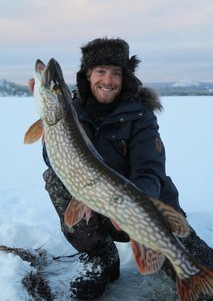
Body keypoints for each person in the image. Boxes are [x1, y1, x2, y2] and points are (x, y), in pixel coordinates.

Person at [32, 37, 213, 300]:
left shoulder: (141, 115)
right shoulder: (71, 110)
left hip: (148, 208)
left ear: (124, 77)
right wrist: (50, 139)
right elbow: (59, 160)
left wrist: (131, 207)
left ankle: (176, 263)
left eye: (115, 73)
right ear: (88, 75)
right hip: (97, 205)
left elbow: (150, 169)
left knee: (201, 272)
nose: (108, 80)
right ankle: (100, 255)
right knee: (55, 177)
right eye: (101, 71)